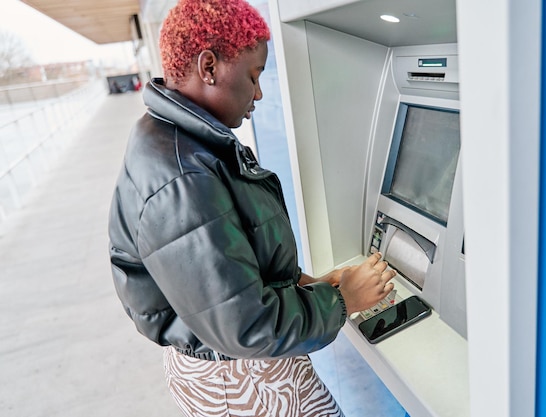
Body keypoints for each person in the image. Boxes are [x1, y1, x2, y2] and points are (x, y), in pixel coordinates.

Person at [107, 0, 395, 416]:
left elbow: (229, 264)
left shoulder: (182, 141)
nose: (259, 93)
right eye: (253, 76)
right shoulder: (182, 177)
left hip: (235, 361)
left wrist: (308, 286)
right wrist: (343, 299)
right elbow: (245, 325)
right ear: (209, 68)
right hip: (240, 378)